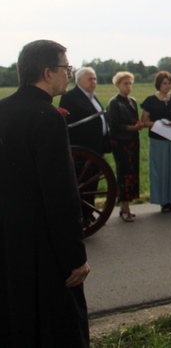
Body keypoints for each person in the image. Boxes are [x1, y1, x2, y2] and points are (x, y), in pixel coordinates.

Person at [0, 40, 90, 346]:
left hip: (8, 240)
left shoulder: (3, 110)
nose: (69, 74)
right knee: (56, 325)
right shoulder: (47, 117)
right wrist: (75, 258)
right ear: (47, 72)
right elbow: (61, 194)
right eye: (65, 68)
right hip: (42, 245)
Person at [59, 67, 110, 224]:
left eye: (94, 78)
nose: (93, 82)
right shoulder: (70, 97)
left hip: (96, 149)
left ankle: (89, 213)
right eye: (90, 79)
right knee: (82, 184)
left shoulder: (93, 97)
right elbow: (66, 123)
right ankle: (81, 216)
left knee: (92, 183)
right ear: (78, 80)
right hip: (82, 151)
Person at [141, 71, 171, 213]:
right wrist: (159, 124)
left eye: (169, 83)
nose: (167, 86)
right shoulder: (150, 100)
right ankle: (162, 201)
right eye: (164, 83)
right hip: (158, 139)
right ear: (158, 84)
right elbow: (144, 121)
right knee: (159, 170)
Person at [107, 71, 143, 222]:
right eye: (125, 83)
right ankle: (125, 206)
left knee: (132, 173)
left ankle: (125, 206)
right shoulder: (114, 103)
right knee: (123, 173)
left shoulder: (132, 101)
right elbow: (114, 125)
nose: (128, 86)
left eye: (130, 83)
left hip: (133, 141)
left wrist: (138, 126)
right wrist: (132, 128)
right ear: (118, 85)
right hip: (120, 142)